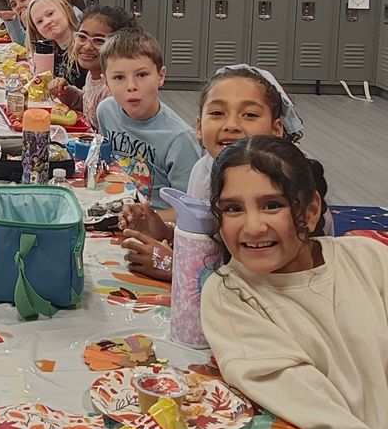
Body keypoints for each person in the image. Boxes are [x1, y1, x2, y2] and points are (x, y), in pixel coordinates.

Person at [200, 135, 388, 429]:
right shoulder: (232, 295)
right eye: (233, 209)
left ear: (311, 209)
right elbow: (328, 427)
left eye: (273, 204)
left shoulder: (369, 260)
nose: (252, 226)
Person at [120, 65, 332, 278]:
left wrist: (174, 267)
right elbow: (212, 242)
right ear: (199, 127)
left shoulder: (291, 177)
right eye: (217, 113)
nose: (231, 125)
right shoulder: (203, 170)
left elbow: (269, 278)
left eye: (249, 115)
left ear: (277, 129)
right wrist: (165, 232)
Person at [95, 27, 201, 208]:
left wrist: (148, 222)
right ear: (106, 82)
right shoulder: (106, 111)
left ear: (161, 76)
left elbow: (188, 210)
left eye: (142, 75)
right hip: (116, 206)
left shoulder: (180, 138)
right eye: (119, 77)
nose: (131, 86)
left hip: (158, 224)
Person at [50, 6, 133, 126]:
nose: (87, 46)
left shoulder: (111, 90)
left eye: (99, 40)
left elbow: (111, 136)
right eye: (82, 37)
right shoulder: (93, 74)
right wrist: (67, 93)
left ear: (119, 46)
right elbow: (88, 105)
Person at [25, 0, 87, 89]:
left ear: (66, 9)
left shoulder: (83, 48)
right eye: (39, 21)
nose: (47, 22)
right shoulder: (50, 52)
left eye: (50, 14)